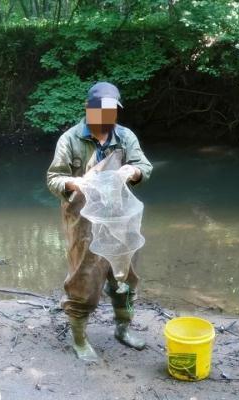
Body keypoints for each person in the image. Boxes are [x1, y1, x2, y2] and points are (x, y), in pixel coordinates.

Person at [46, 82, 153, 362]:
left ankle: (123, 329)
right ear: (89, 109)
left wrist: (133, 171)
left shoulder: (125, 136)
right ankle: (80, 340)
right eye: (100, 111)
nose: (106, 117)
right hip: (83, 223)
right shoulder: (70, 139)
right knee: (83, 281)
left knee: (126, 279)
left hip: (121, 220)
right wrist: (76, 182)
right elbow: (53, 178)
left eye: (111, 111)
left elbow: (145, 167)